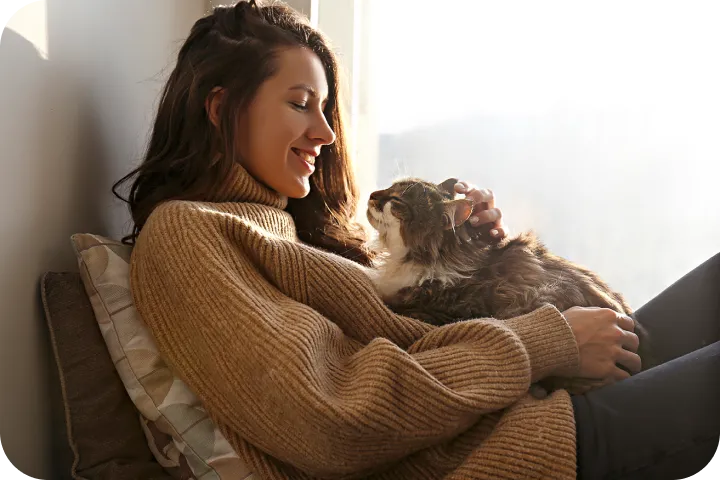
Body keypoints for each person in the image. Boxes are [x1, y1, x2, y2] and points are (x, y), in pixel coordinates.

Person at [114, 1, 720, 478]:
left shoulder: (287, 230)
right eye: (302, 104)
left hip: (530, 410)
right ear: (219, 108)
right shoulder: (188, 238)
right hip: (512, 455)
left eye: (327, 109)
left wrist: (475, 259)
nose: (326, 132)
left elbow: (420, 334)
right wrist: (543, 342)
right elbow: (334, 420)